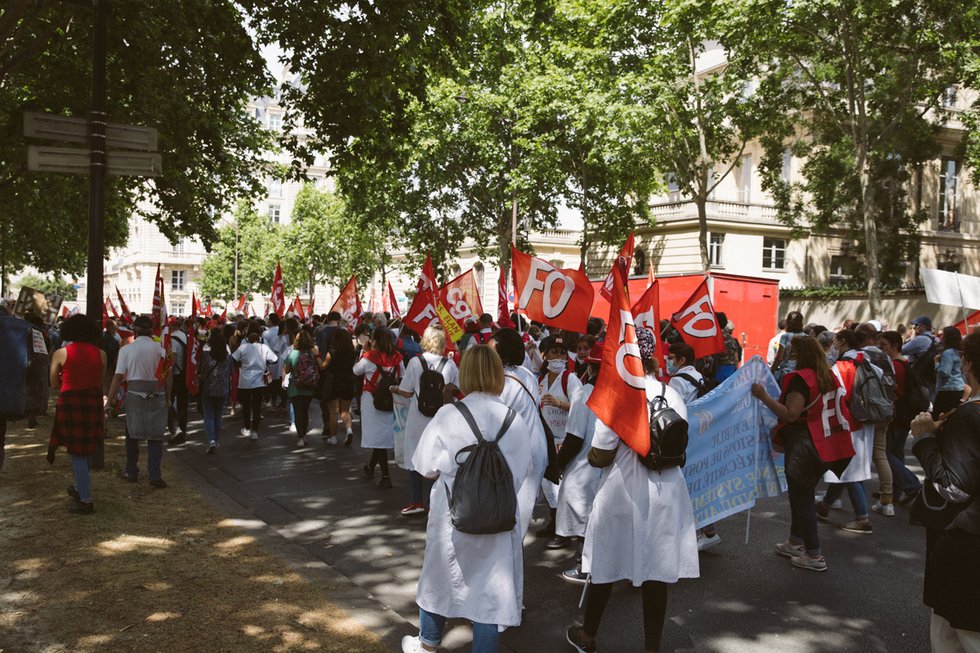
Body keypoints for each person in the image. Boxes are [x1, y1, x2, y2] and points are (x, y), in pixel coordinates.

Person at [566, 326, 698, 653]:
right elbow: (681, 447)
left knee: (605, 563)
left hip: (622, 492)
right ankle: (651, 647)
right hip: (666, 492)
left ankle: (588, 634)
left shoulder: (619, 397)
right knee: (656, 572)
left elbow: (598, 456)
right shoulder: (673, 395)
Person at [401, 345, 533, 653]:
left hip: (452, 514)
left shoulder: (449, 414)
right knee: (491, 595)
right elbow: (523, 469)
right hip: (499, 517)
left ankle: (428, 643)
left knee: (438, 577)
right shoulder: (514, 419)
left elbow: (425, 466)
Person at [752, 335, 855, 572]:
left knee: (802, 499)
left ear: (799, 354)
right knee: (803, 495)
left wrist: (763, 396)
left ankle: (814, 555)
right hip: (824, 444)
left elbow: (790, 414)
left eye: (792, 351)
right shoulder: (826, 374)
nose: (789, 355)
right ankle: (795, 542)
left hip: (804, 445)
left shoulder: (800, 379)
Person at [910, 329, 980, 651]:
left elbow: (953, 486)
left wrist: (924, 439)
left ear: (966, 363)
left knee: (956, 633)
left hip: (965, 539)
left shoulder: (969, 416)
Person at [392, 324, 459, 516]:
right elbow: (457, 389)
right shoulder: (450, 364)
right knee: (437, 457)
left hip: (417, 416)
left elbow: (406, 391)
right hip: (441, 417)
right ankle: (433, 503)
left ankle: (416, 501)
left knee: (414, 455)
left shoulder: (415, 362)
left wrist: (394, 390)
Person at [493, 327, 548, 540]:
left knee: (513, 520)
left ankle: (511, 568)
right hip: (534, 447)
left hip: (518, 453)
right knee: (519, 515)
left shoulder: (503, 382)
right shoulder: (525, 374)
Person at [48, 314, 106, 514]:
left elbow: (54, 384)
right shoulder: (101, 354)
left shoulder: (61, 353)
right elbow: (99, 381)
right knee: (87, 448)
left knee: (76, 453)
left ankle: (86, 499)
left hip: (71, 403)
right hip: (93, 402)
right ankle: (81, 487)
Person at [105, 315, 171, 487]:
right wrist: (169, 397)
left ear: (134, 330)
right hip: (157, 392)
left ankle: (131, 471)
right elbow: (167, 376)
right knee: (156, 435)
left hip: (135, 393)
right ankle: (154, 474)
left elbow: (118, 377)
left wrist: (109, 400)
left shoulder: (126, 350)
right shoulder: (161, 350)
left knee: (132, 434)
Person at [557, 341, 603, 583]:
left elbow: (574, 435)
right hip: (611, 469)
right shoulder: (620, 394)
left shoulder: (585, 393)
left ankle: (585, 566)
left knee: (583, 516)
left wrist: (558, 464)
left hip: (585, 466)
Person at [537, 334, 583, 545]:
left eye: (562, 352)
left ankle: (564, 531)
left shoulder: (570, 379)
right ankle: (554, 522)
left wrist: (559, 403)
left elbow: (581, 408)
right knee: (549, 484)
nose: (558, 356)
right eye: (553, 352)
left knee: (563, 487)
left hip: (565, 439)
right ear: (544, 355)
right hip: (547, 438)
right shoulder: (540, 380)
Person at [353, 327, 404, 488]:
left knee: (378, 439)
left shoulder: (368, 357)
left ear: (374, 340)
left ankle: (385, 475)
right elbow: (403, 375)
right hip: (391, 400)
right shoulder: (398, 357)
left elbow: (356, 371)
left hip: (371, 401)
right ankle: (370, 468)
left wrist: (363, 351)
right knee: (381, 438)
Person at [878, 330, 923, 505]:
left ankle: (911, 484)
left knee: (885, 453)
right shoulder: (902, 363)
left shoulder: (895, 366)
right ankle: (896, 492)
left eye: (884, 346)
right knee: (895, 453)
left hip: (896, 416)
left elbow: (894, 392)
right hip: (902, 415)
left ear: (895, 346)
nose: (880, 349)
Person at [231, 326, 278, 440]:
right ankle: (255, 431)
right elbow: (275, 359)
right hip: (259, 382)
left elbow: (233, 359)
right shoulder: (264, 347)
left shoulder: (243, 347)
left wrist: (241, 364)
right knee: (257, 407)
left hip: (244, 381)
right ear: (258, 339)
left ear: (248, 339)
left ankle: (246, 428)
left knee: (246, 407)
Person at [282, 329, 319, 448]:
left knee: (298, 412)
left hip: (296, 387)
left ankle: (300, 437)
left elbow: (287, 370)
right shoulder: (313, 353)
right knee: (305, 412)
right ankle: (304, 434)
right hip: (309, 386)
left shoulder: (293, 353)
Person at [198, 328, 232, 454]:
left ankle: (211, 439)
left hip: (208, 389)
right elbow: (231, 372)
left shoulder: (206, 357)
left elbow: (201, 372)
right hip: (223, 389)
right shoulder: (228, 358)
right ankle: (216, 440)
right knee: (218, 415)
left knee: (208, 415)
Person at [322, 328, 356, 446]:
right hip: (348, 382)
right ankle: (349, 430)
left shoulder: (331, 353)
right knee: (345, 410)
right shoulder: (353, 352)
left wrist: (317, 358)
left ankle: (333, 437)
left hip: (334, 383)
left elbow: (323, 366)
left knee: (333, 412)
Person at [935, 326, 967, 418]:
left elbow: (945, 372)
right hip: (957, 388)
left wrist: (936, 363)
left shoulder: (948, 352)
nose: (941, 338)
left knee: (938, 418)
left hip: (948, 389)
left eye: (943, 336)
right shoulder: (957, 352)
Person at [167, 321, 189, 444]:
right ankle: (183, 430)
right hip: (184, 373)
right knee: (183, 405)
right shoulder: (185, 335)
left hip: (175, 375)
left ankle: (175, 431)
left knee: (170, 402)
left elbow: (173, 360)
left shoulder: (173, 339)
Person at [771, 311, 807, 382]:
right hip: (801, 373)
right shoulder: (806, 337)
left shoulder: (785, 336)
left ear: (788, 323)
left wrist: (771, 371)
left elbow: (779, 358)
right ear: (801, 323)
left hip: (786, 373)